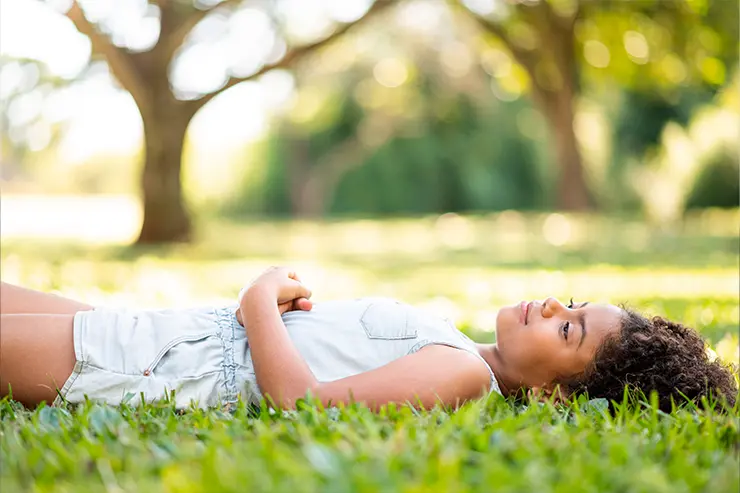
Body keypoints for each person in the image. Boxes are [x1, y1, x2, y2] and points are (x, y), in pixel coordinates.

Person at [0, 267, 736, 412]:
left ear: (555, 392)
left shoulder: (464, 378)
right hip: (174, 332)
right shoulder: (458, 346)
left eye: (567, 326)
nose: (549, 303)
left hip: (175, 365)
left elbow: (303, 402)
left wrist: (259, 303)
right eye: (569, 301)